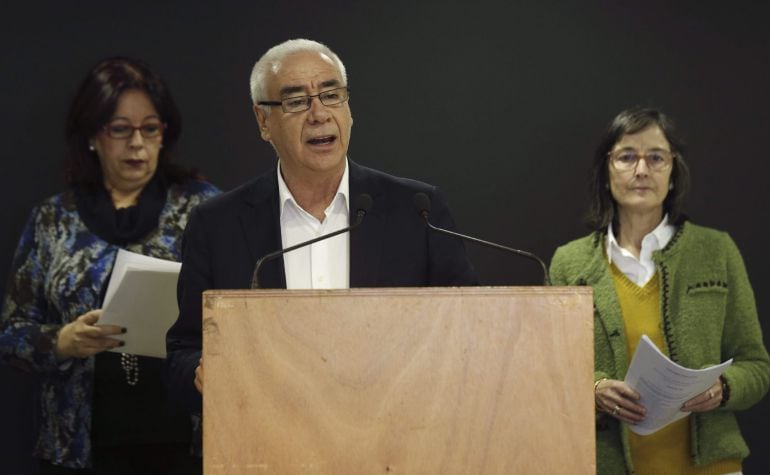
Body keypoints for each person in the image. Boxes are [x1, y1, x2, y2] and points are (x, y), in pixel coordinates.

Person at [165, 38, 477, 413]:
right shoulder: (218, 224)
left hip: (396, 436)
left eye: (332, 95)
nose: (319, 114)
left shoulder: (416, 210)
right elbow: (184, 351)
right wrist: (201, 373)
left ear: (349, 109)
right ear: (264, 121)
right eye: (296, 101)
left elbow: (468, 328)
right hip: (266, 442)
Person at [0, 57, 220, 473]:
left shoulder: (203, 208)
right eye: (120, 129)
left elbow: (244, 308)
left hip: (185, 441)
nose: (137, 143)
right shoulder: (52, 220)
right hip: (78, 445)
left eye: (150, 128)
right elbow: (11, 335)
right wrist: (62, 341)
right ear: (91, 136)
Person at [550, 107, 770, 474]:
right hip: (607, 464)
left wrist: (723, 388)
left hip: (712, 467)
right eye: (626, 157)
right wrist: (596, 388)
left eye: (655, 157)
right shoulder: (568, 264)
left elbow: (757, 366)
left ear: (673, 170)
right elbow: (552, 374)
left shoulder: (717, 251)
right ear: (606, 171)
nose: (641, 170)